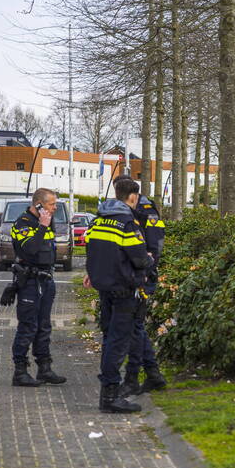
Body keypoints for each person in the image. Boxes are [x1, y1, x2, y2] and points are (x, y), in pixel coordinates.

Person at [84, 177, 150, 413]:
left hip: (104, 289)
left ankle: (107, 392)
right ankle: (110, 396)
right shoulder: (127, 223)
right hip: (124, 290)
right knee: (118, 342)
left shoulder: (98, 221)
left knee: (108, 338)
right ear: (132, 197)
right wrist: (148, 260)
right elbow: (140, 258)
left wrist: (93, 273)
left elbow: (90, 248)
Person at [9, 187, 67, 387]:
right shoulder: (22, 224)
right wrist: (42, 226)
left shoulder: (48, 222)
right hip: (30, 282)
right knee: (28, 326)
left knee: (44, 326)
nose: (55, 208)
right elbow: (30, 250)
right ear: (39, 204)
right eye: (52, 204)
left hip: (46, 280)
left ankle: (44, 368)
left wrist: (46, 224)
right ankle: (20, 371)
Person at [121, 194, 167, 396]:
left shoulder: (146, 210)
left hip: (143, 277)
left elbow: (155, 245)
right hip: (135, 276)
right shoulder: (130, 211)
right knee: (136, 328)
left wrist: (147, 271)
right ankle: (152, 373)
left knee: (135, 328)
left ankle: (140, 376)